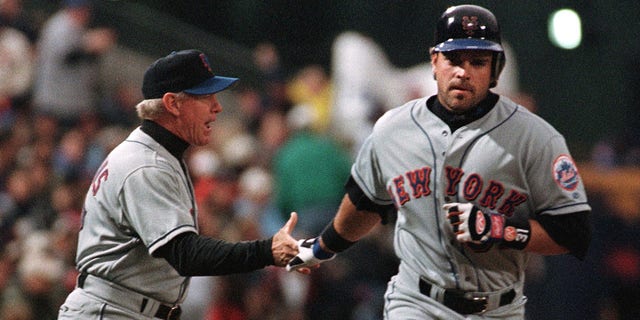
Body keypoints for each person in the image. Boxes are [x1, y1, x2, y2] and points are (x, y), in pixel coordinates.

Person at [287, 4, 592, 320]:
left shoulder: (536, 137)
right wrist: (321, 248)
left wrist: (501, 229)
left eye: (477, 61)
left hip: (497, 309)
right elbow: (364, 204)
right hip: (415, 302)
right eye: (453, 59)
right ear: (434, 61)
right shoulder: (394, 129)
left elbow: (573, 233)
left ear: (495, 70)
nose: (463, 71)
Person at [57, 49, 304, 320]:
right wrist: (265, 251)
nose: (217, 106)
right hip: (111, 311)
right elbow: (185, 253)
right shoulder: (145, 164)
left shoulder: (157, 154)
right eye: (206, 96)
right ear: (172, 103)